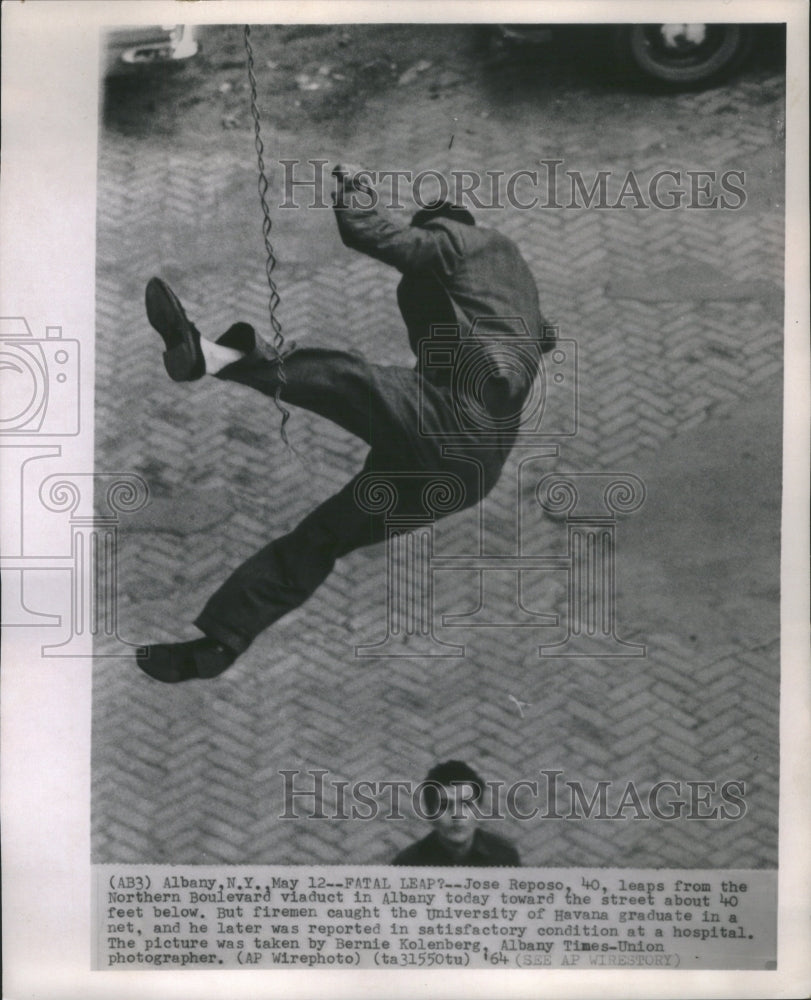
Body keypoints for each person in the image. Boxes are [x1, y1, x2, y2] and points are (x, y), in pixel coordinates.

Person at [136, 164, 553, 682]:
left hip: (451, 423)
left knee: (345, 377)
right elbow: (540, 336)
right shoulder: (511, 290)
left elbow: (373, 233)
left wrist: (354, 185)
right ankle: (218, 645)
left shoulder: (462, 242)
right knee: (323, 536)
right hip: (466, 476)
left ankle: (212, 357)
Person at [392, 760, 520, 866]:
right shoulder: (408, 864)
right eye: (444, 806)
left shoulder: (504, 857)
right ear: (430, 815)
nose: (457, 815)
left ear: (479, 811)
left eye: (467, 804)